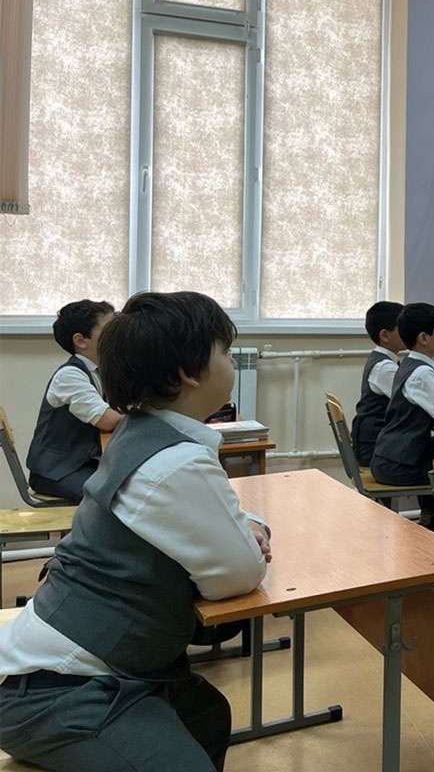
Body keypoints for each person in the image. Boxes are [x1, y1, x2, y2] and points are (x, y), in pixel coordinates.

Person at [0, 291, 272, 772]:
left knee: (205, 712)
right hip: (56, 688)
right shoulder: (176, 460)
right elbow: (239, 574)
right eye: (226, 352)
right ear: (188, 372)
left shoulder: (141, 431)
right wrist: (247, 532)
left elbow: (200, 522)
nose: (231, 363)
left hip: (64, 664)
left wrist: (243, 525)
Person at [26, 299, 124, 503]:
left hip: (83, 462)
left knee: (134, 482)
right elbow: (107, 420)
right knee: (115, 498)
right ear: (81, 341)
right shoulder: (70, 375)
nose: (118, 333)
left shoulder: (100, 370)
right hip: (56, 471)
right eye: (110, 328)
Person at [370, 303, 434, 517]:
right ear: (424, 338)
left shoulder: (409, 365)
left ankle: (431, 521)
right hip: (399, 466)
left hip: (387, 459)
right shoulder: (422, 373)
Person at [351, 301, 405, 466]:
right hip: (374, 449)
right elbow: (412, 404)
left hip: (376, 443)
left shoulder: (383, 360)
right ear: (385, 335)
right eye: (403, 327)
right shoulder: (385, 367)